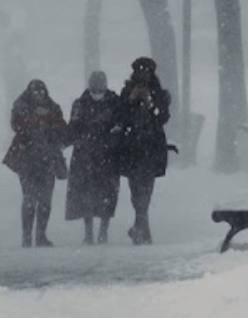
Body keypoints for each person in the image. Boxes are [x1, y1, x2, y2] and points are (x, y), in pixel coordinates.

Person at [2, 79, 68, 247]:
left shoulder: (53, 107)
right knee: (30, 198)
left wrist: (48, 122)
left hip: (47, 159)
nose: (39, 94)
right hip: (27, 159)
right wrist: (38, 120)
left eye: (42, 91)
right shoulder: (21, 106)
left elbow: (62, 129)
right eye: (36, 92)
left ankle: (40, 235)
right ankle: (27, 236)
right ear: (30, 93)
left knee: (45, 199)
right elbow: (17, 125)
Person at [117, 57, 172, 245]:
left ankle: (140, 227)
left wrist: (150, 103)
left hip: (151, 147)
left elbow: (163, 117)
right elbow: (121, 116)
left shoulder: (160, 94)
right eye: (140, 72)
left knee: (146, 189)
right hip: (131, 147)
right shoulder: (126, 92)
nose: (143, 75)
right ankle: (142, 228)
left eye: (147, 72)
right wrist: (131, 100)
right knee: (135, 190)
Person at [65, 70, 121, 244]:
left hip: (107, 155)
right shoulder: (80, 104)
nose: (97, 84)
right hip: (85, 156)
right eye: (94, 81)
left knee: (107, 194)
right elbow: (73, 127)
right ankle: (88, 233)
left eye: (100, 81)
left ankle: (103, 231)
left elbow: (120, 125)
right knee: (85, 194)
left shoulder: (115, 103)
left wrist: (111, 139)